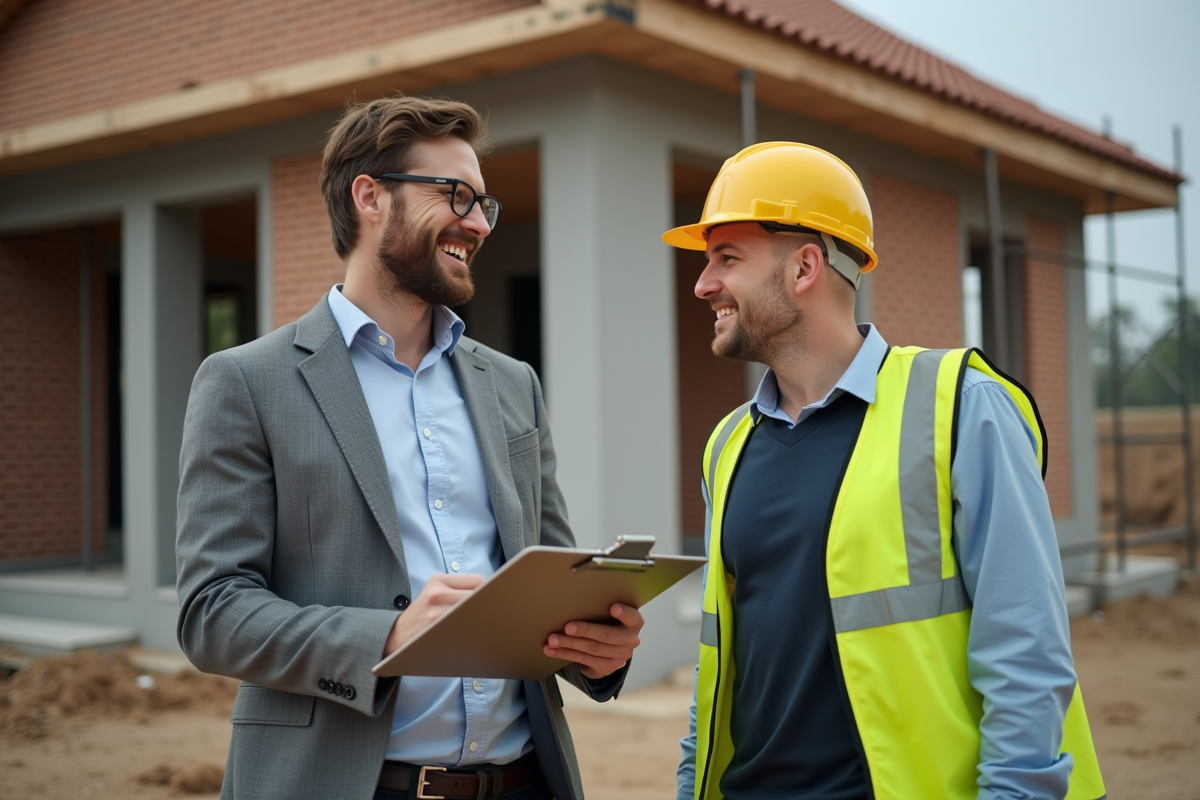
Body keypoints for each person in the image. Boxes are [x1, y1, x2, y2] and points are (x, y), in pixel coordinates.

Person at [176, 95, 643, 800]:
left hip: (525, 782)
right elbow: (211, 611)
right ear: (369, 196)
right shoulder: (246, 383)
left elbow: (548, 577)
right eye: (456, 195)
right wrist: (388, 636)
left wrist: (596, 651)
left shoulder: (513, 385)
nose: (478, 223)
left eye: (485, 203)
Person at [665, 142, 1105, 800]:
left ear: (805, 267)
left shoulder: (960, 409)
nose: (702, 285)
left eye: (726, 259)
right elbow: (723, 669)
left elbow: (1027, 656)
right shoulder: (727, 445)